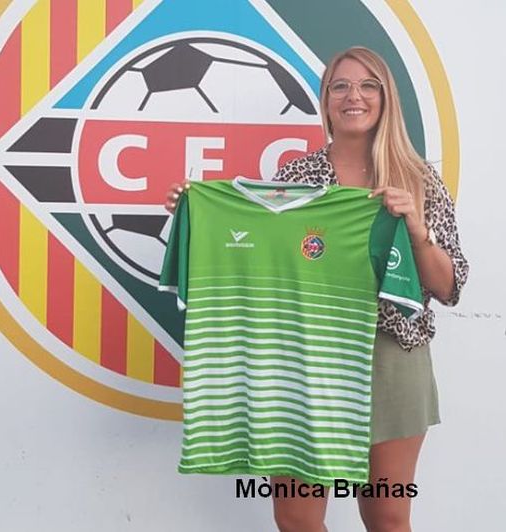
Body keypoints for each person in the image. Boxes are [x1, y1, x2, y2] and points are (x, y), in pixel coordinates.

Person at [165, 46, 467, 532]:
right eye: (341, 86)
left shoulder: (419, 179)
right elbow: (260, 255)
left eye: (369, 86)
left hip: (391, 361)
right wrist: (196, 214)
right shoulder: (295, 179)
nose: (355, 97)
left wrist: (416, 227)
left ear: (387, 98)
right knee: (297, 518)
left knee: (388, 516)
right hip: (305, 356)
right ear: (325, 101)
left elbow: (450, 288)